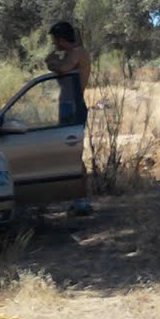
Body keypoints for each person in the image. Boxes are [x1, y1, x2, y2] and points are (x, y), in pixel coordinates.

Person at [45, 21, 93, 214]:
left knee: (74, 153)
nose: (54, 44)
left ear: (62, 39)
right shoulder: (70, 55)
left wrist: (51, 62)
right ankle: (75, 198)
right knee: (67, 153)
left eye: (55, 40)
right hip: (67, 106)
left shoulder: (77, 53)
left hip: (73, 107)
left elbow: (64, 69)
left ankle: (81, 200)